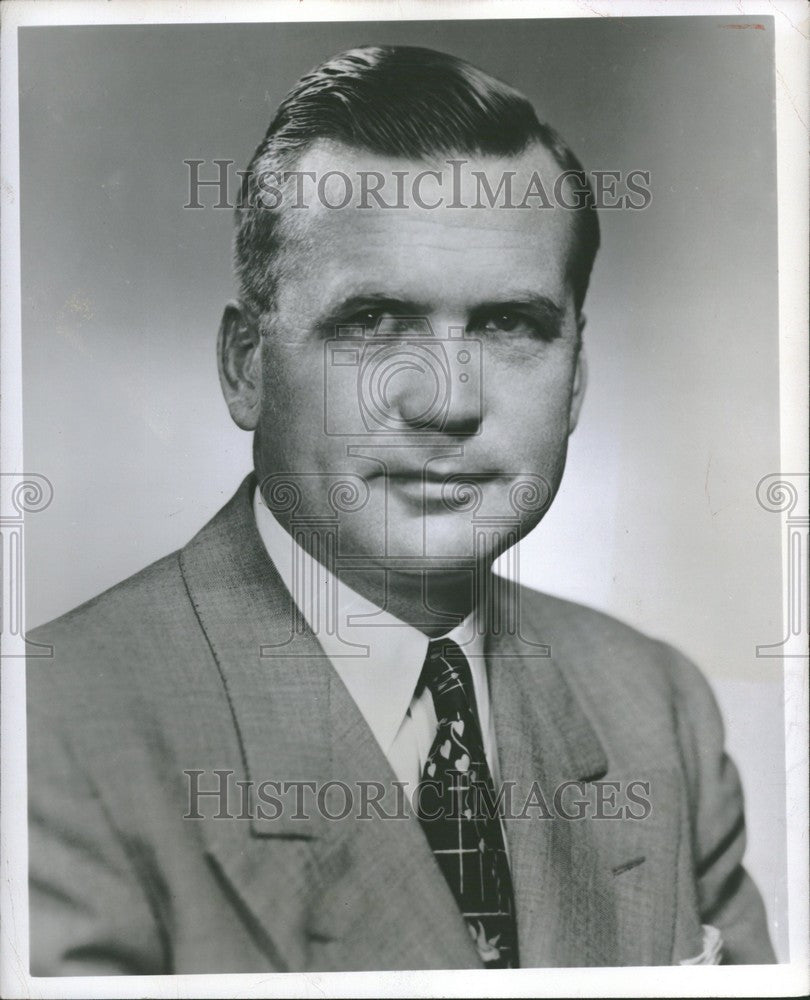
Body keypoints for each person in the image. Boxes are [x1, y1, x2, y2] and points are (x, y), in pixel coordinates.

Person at [27, 45, 775, 974]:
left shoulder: (657, 710)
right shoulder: (48, 735)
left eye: (509, 325)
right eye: (374, 323)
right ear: (245, 368)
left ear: (576, 383)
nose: (447, 400)